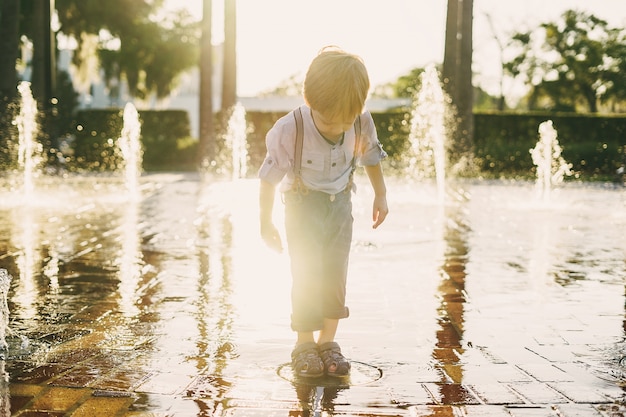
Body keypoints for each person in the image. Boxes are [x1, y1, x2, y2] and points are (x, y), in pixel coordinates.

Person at [258, 46, 389, 378]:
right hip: (302, 207)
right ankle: (304, 341)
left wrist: (381, 194)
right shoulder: (290, 129)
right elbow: (268, 179)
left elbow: (370, 157)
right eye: (330, 120)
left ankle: (328, 340)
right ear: (311, 102)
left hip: (340, 205)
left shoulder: (360, 121)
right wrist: (265, 222)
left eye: (346, 120)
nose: (338, 127)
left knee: (334, 273)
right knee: (305, 272)